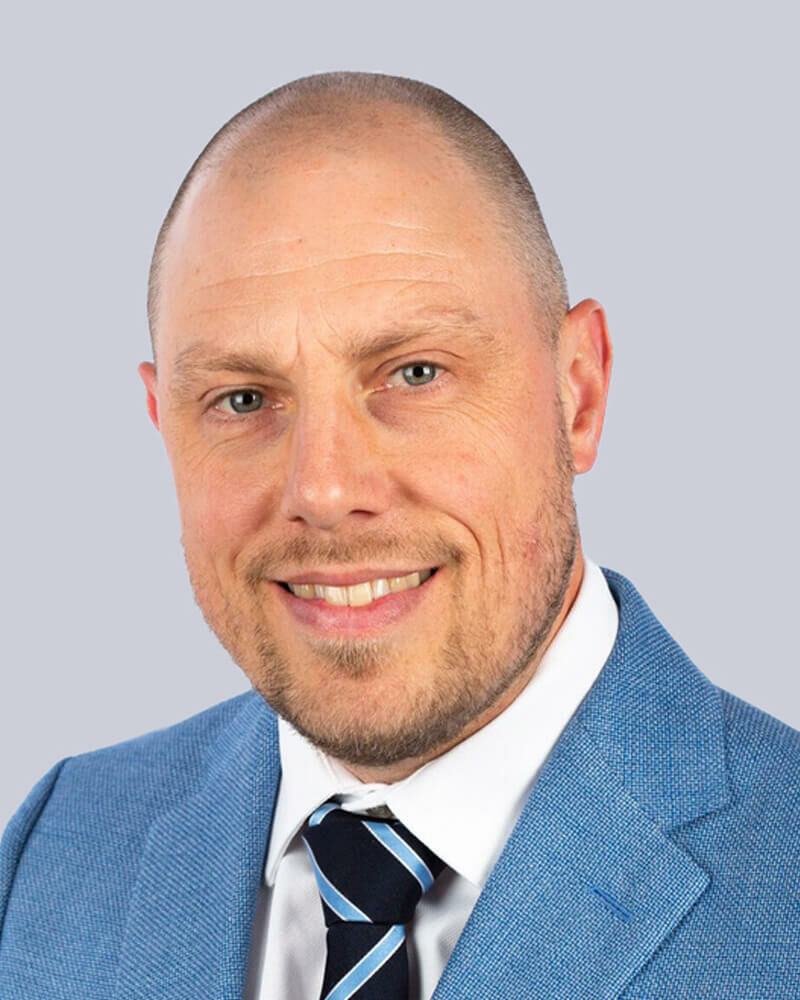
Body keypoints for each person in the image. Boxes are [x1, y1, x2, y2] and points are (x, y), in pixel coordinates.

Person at [1, 72, 798, 1000]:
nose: (325, 489)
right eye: (243, 399)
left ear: (577, 395)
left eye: (415, 372)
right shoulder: (54, 855)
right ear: (162, 424)